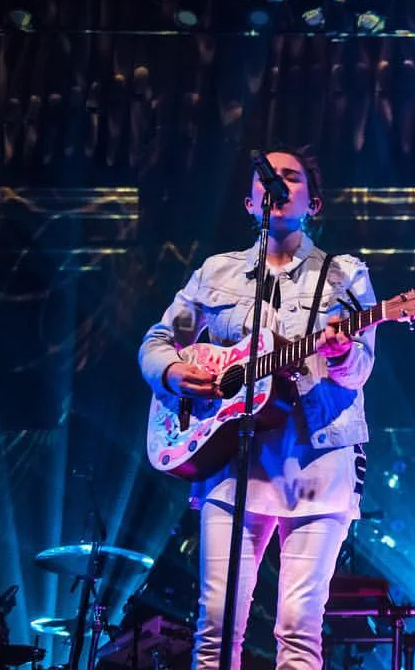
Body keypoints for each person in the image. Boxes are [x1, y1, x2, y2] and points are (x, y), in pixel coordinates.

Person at [139, 146, 375, 669]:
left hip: (318, 462)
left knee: (298, 628)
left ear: (314, 203)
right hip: (232, 458)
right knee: (216, 627)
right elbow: (159, 340)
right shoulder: (215, 273)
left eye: (292, 177)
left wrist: (340, 353)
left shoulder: (345, 276)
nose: (278, 183)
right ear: (250, 203)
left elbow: (359, 369)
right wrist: (173, 373)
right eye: (268, 177)